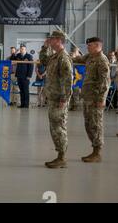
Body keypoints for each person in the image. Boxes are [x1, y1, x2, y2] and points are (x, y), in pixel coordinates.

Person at [73, 37, 110, 163]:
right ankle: (94, 150)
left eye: (89, 45)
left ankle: (97, 152)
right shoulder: (90, 57)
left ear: (97, 45)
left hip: (95, 98)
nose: (87, 47)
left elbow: (105, 82)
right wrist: (75, 53)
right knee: (89, 124)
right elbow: (77, 59)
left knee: (96, 124)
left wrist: (102, 99)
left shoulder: (102, 60)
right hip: (88, 97)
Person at [39, 31, 73, 168]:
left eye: (52, 39)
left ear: (59, 40)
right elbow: (43, 61)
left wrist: (64, 98)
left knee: (59, 127)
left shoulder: (63, 58)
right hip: (53, 97)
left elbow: (68, 80)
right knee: (54, 127)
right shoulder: (55, 56)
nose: (50, 41)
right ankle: (60, 155)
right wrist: (44, 47)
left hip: (59, 98)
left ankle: (62, 157)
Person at [15, 44, 34, 108]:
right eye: (20, 49)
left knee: (26, 91)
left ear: (25, 49)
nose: (21, 50)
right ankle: (22, 104)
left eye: (22, 49)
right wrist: (15, 52)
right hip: (19, 76)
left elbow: (31, 66)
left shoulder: (29, 56)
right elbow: (12, 58)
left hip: (26, 76)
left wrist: (29, 75)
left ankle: (26, 105)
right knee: (21, 91)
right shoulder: (18, 55)